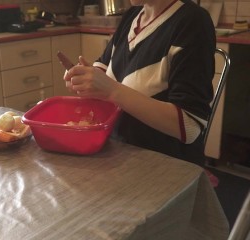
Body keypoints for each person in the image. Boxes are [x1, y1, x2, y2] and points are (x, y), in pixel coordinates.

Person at [64, 0, 216, 166]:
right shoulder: (132, 16)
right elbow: (104, 68)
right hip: (118, 150)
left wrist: (112, 91)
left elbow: (190, 126)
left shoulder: (193, 22)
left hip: (166, 164)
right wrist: (86, 78)